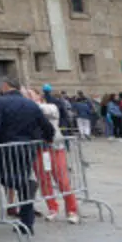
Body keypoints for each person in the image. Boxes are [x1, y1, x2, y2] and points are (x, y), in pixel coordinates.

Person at [0, 78, 54, 233]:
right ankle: (27, 223)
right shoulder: (30, 104)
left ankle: (25, 186)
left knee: (1, 176)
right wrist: (47, 139)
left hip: (6, 147)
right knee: (23, 182)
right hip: (27, 148)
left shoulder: (0, 102)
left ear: (5, 86)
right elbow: (46, 126)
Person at [30, 88, 78, 224]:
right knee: (44, 180)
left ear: (39, 96)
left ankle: (72, 210)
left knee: (62, 179)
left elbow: (49, 113)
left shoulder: (50, 107)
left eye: (30, 94)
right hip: (39, 149)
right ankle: (52, 208)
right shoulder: (29, 109)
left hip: (55, 147)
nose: (27, 97)